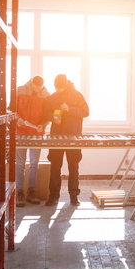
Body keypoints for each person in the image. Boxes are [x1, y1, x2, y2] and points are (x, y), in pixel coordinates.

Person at [44, 74, 89, 206]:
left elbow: (85, 111)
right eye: (56, 88)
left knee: (73, 167)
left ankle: (74, 196)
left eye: (60, 88)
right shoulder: (52, 97)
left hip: (73, 136)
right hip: (56, 136)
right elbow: (45, 112)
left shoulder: (77, 95)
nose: (57, 90)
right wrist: (53, 116)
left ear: (66, 85)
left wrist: (69, 109)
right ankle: (53, 197)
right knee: (55, 167)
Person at [10, 75, 50, 207]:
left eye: (40, 87)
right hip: (20, 131)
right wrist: (17, 119)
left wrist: (43, 125)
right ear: (31, 82)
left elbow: (48, 114)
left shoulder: (46, 95)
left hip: (37, 133)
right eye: (35, 86)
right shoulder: (20, 90)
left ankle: (31, 192)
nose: (37, 89)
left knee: (34, 163)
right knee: (20, 163)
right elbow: (11, 109)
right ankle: (19, 193)